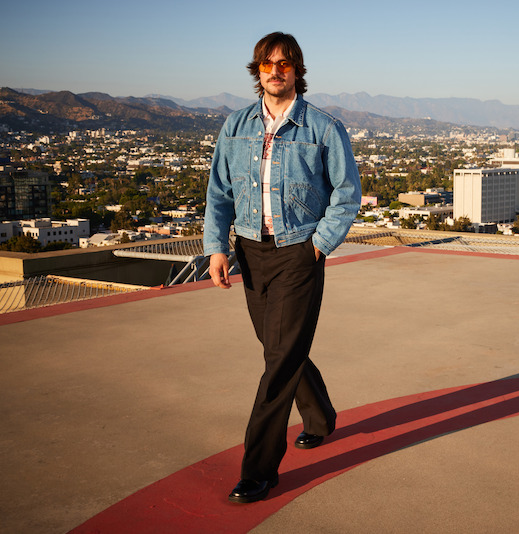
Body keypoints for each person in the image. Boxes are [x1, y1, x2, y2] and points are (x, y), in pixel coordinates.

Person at [203, 31, 361, 504]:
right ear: (258, 71)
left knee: (277, 364)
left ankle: (259, 469)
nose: (277, 70)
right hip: (251, 251)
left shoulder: (323, 128)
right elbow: (219, 193)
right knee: (278, 348)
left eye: (285, 63)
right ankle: (320, 416)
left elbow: (347, 194)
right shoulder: (235, 126)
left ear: (297, 70)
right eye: (268, 64)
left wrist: (319, 246)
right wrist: (217, 248)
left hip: (299, 252)